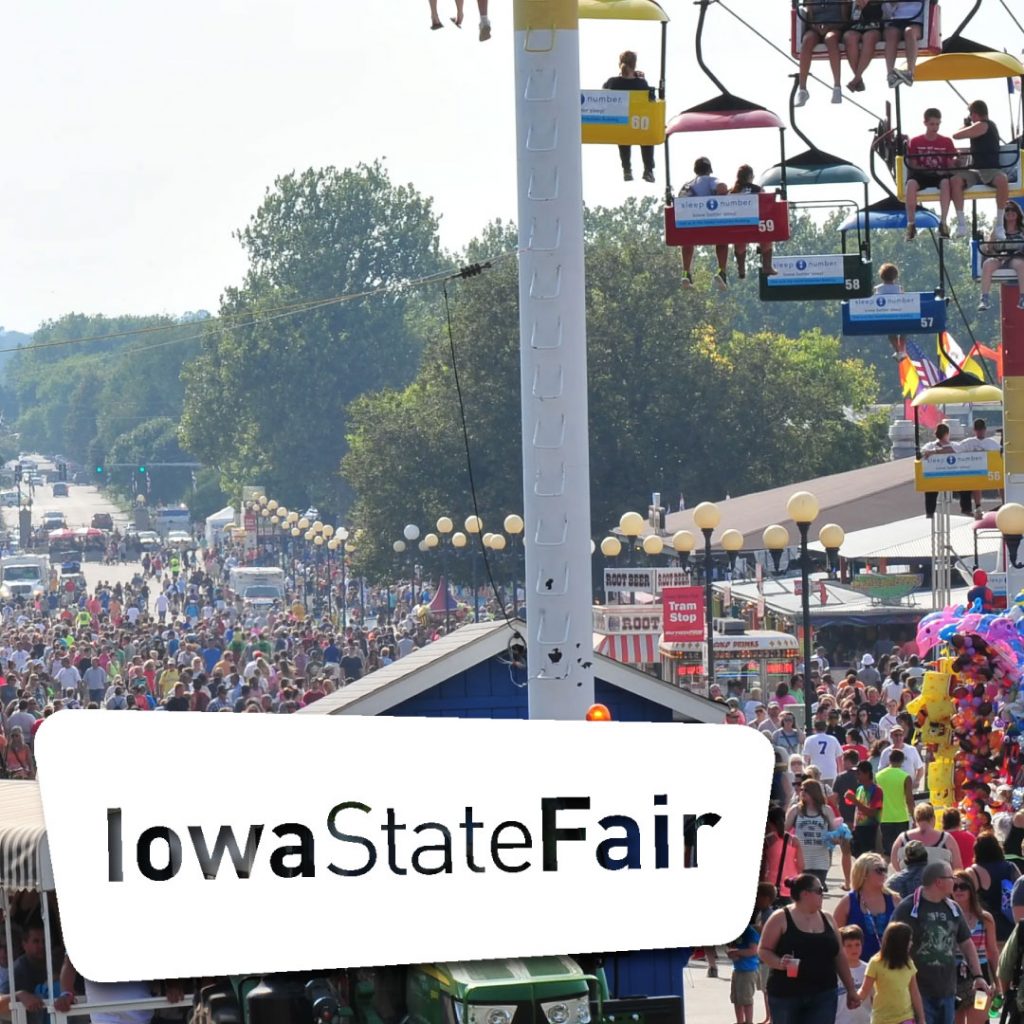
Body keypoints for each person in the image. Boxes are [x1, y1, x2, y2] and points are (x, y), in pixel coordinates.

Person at [892, 862, 992, 1024]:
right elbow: (891, 944)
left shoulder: (953, 908)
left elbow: (966, 943)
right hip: (917, 990)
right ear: (939, 882)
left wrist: (978, 976)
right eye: (951, 878)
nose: (954, 882)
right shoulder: (908, 908)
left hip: (947, 990)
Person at [758, 873, 862, 1024]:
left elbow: (839, 955)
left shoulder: (827, 918)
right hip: (787, 995)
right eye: (819, 890)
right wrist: (780, 963)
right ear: (805, 894)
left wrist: (851, 990)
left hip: (824, 993)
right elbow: (763, 950)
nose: (823, 894)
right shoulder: (781, 917)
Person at [903, 109, 964, 241]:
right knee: (911, 184)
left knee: (946, 183)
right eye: (932, 124)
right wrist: (928, 170)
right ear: (925, 123)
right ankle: (911, 224)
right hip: (921, 174)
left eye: (937, 124)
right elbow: (913, 164)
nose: (935, 127)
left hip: (939, 175)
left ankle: (943, 222)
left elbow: (949, 164)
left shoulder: (946, 141)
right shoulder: (915, 141)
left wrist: (956, 163)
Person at [953, 101, 1010, 237]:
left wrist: (967, 124)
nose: (970, 117)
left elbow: (957, 135)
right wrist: (967, 124)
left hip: (990, 169)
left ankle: (1000, 225)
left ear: (975, 114)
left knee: (1002, 180)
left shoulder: (984, 125)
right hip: (975, 169)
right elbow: (958, 135)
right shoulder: (979, 126)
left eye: (971, 114)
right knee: (955, 181)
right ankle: (961, 224)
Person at [950, 869, 998, 1023]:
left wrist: (997, 982)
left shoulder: (984, 918)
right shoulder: (946, 916)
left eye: (963, 886)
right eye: (954, 886)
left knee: (978, 1019)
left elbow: (992, 951)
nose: (958, 890)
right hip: (952, 977)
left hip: (980, 977)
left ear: (971, 889)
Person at [835, 853, 899, 962]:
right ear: (864, 873)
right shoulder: (848, 902)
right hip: (857, 967)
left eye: (885, 870)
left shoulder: (895, 900)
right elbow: (835, 936)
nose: (884, 874)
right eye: (879, 870)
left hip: (889, 966)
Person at [603, 51, 656, 184]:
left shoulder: (612, 83)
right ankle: (648, 169)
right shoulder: (642, 84)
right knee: (646, 137)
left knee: (623, 137)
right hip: (639, 124)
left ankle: (627, 169)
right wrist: (642, 79)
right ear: (635, 64)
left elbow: (602, 96)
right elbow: (652, 102)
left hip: (620, 125)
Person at [857, 921, 924, 1024]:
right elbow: (864, 990)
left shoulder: (909, 963)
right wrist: (854, 997)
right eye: (909, 940)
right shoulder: (875, 963)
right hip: (881, 1019)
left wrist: (922, 1019)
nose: (911, 943)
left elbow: (915, 992)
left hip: (906, 1017)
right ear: (899, 942)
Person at [678, 157, 730, 291]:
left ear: (695, 170)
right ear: (709, 170)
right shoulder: (711, 180)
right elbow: (722, 187)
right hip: (712, 225)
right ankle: (721, 271)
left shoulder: (687, 184)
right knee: (723, 240)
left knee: (687, 240)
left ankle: (686, 273)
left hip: (693, 226)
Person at [966, 831, 1019, 950]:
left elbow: (966, 900)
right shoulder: (1010, 867)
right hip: (1011, 928)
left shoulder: (973, 872)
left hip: (985, 930)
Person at [787, 779, 839, 893]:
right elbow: (783, 831)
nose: (802, 792)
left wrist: (835, 837)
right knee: (801, 893)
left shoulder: (826, 810)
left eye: (806, 790)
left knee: (816, 894)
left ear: (814, 792)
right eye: (801, 790)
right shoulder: (796, 810)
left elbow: (835, 836)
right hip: (801, 860)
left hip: (820, 861)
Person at [795, 2, 851, 107]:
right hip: (816, 29)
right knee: (807, 41)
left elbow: (845, 21)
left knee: (831, 39)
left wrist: (829, 26)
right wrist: (815, 27)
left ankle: (837, 87)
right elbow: (809, 20)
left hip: (835, 27)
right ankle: (802, 90)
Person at [731, 164, 776, 278]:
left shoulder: (732, 191)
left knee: (739, 238)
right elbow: (766, 205)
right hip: (756, 225)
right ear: (750, 176)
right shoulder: (758, 189)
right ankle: (767, 266)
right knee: (767, 235)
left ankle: (741, 269)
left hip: (738, 226)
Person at [977, 203, 1024, 312]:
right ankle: (984, 298)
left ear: (1018, 213)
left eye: (1013, 210)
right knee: (987, 264)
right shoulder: (998, 230)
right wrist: (997, 255)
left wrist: (1015, 254)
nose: (1010, 213)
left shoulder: (1022, 230)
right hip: (999, 257)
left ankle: (1022, 297)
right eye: (1007, 210)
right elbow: (990, 246)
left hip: (1016, 257)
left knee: (1021, 265)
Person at [892, 803, 962, 871]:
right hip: (939, 881)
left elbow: (894, 863)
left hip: (910, 881)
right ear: (933, 818)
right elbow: (958, 868)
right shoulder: (947, 839)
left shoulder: (902, 839)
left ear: (916, 820)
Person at [728, 907, 763, 1024]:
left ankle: (748, 1021)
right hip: (738, 969)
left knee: (746, 1000)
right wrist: (732, 953)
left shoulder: (749, 932)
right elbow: (734, 947)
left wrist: (736, 952)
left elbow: (753, 951)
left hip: (748, 971)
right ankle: (739, 1021)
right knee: (736, 999)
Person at [843, 0, 884, 93]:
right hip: (855, 26)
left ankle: (856, 79)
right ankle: (858, 78)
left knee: (869, 37)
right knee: (849, 38)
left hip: (875, 26)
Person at [836, 925, 872, 1024]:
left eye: (857, 944)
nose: (854, 949)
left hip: (865, 1020)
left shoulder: (869, 969)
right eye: (849, 946)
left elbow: (875, 999)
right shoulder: (835, 971)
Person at [882, 2, 923, 87]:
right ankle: (890, 74)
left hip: (916, 20)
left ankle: (910, 72)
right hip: (896, 21)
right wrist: (891, 4)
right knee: (891, 33)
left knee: (909, 32)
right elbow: (887, 13)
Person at [874, 262, 907, 358]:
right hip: (900, 317)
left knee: (891, 333)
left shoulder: (878, 289)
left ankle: (898, 351)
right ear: (895, 276)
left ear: (882, 276)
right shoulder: (899, 289)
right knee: (904, 331)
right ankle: (902, 350)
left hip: (885, 318)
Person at [803, 718, 845, 787]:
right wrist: (840, 773)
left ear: (815, 729)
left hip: (815, 773)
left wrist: (806, 774)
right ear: (826, 728)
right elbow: (839, 758)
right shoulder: (833, 739)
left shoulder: (809, 740)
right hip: (831, 772)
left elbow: (805, 759)